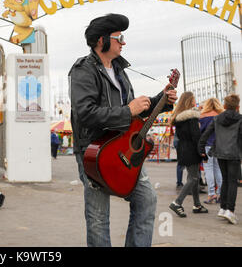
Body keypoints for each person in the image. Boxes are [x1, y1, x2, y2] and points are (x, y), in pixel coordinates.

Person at [69, 13, 177, 247]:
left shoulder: (120, 71)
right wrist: (128, 110)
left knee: (147, 198)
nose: (123, 43)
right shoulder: (82, 70)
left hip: (122, 149)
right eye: (119, 37)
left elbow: (134, 110)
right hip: (95, 152)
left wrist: (162, 100)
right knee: (98, 218)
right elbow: (86, 114)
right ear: (101, 41)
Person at [198, 94, 242, 224]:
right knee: (232, 182)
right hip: (234, 154)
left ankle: (223, 208)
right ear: (237, 107)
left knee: (225, 180)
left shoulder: (217, 119)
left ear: (224, 106)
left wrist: (202, 151)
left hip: (220, 153)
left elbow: (204, 135)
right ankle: (230, 211)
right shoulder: (240, 119)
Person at [169, 92, 208, 218]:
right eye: (194, 99)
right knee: (193, 178)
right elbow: (196, 136)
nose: (195, 101)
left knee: (193, 177)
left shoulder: (179, 118)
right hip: (192, 149)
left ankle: (197, 205)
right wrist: (202, 152)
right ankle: (177, 202)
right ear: (190, 100)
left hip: (183, 149)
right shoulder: (192, 117)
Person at [199, 98, 224, 204]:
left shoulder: (202, 116)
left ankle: (211, 194)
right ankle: (220, 194)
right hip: (219, 146)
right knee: (218, 170)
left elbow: (201, 132)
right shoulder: (221, 115)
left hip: (207, 145)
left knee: (208, 170)